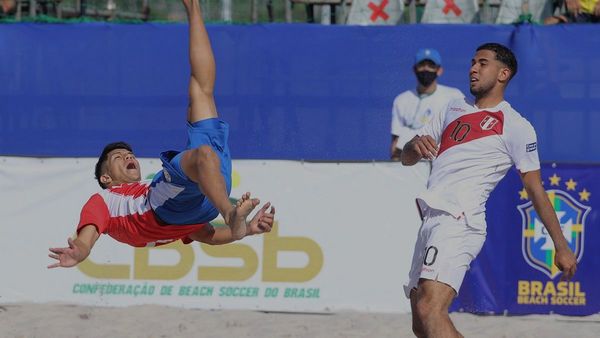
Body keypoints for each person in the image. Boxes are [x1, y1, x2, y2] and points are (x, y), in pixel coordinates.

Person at [48, 0, 275, 269]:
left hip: (206, 189)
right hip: (165, 206)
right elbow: (88, 235)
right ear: (105, 177)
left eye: (129, 153)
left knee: (201, 92)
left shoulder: (150, 190)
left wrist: (246, 230)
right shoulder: (103, 200)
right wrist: (80, 252)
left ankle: (194, 8)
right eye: (118, 156)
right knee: (201, 154)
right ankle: (229, 212)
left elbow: (207, 236)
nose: (127, 155)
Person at [400, 43, 577, 337]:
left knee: (431, 309)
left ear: (503, 74)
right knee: (421, 323)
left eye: (482, 63)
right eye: (472, 62)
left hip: (460, 219)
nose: (473, 68)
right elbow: (406, 158)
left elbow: (535, 190)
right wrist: (413, 146)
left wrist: (560, 245)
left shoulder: (516, 125)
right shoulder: (451, 107)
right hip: (430, 218)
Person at [390, 48, 464, 178]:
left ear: (439, 70)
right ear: (414, 69)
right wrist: (396, 166)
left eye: (431, 66)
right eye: (422, 65)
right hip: (410, 166)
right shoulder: (401, 99)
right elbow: (395, 143)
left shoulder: (453, 96)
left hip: (441, 166)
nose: (426, 69)